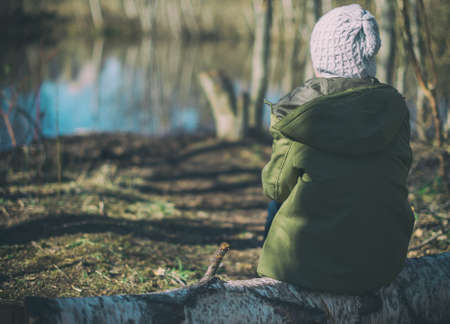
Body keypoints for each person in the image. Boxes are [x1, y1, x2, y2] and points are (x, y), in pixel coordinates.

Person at [258, 4, 414, 295]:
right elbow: (400, 171)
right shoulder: (394, 109)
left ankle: (273, 285)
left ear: (320, 58)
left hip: (304, 266)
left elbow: (275, 188)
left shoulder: (300, 113)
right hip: (383, 262)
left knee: (278, 201)